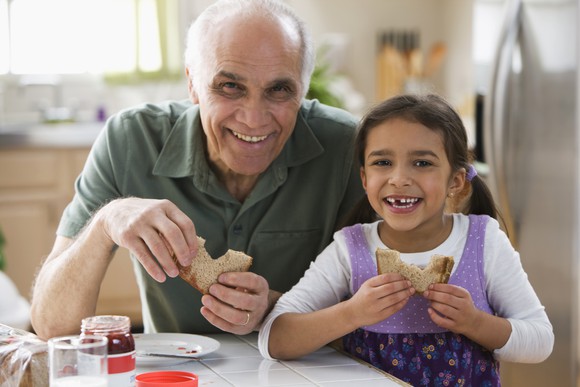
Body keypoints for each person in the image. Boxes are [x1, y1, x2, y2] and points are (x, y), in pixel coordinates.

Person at [30, 0, 364, 339]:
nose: (253, 117)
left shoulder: (349, 148)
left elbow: (386, 309)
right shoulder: (130, 139)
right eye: (230, 87)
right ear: (192, 84)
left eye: (278, 90)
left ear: (302, 91)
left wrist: (277, 309)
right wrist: (105, 222)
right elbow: (53, 327)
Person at [258, 94, 554, 386]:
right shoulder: (350, 248)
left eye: (422, 163)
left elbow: (540, 340)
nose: (399, 178)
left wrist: (475, 323)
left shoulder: (484, 241)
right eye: (383, 162)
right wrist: (352, 313)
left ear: (455, 181)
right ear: (364, 179)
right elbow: (275, 338)